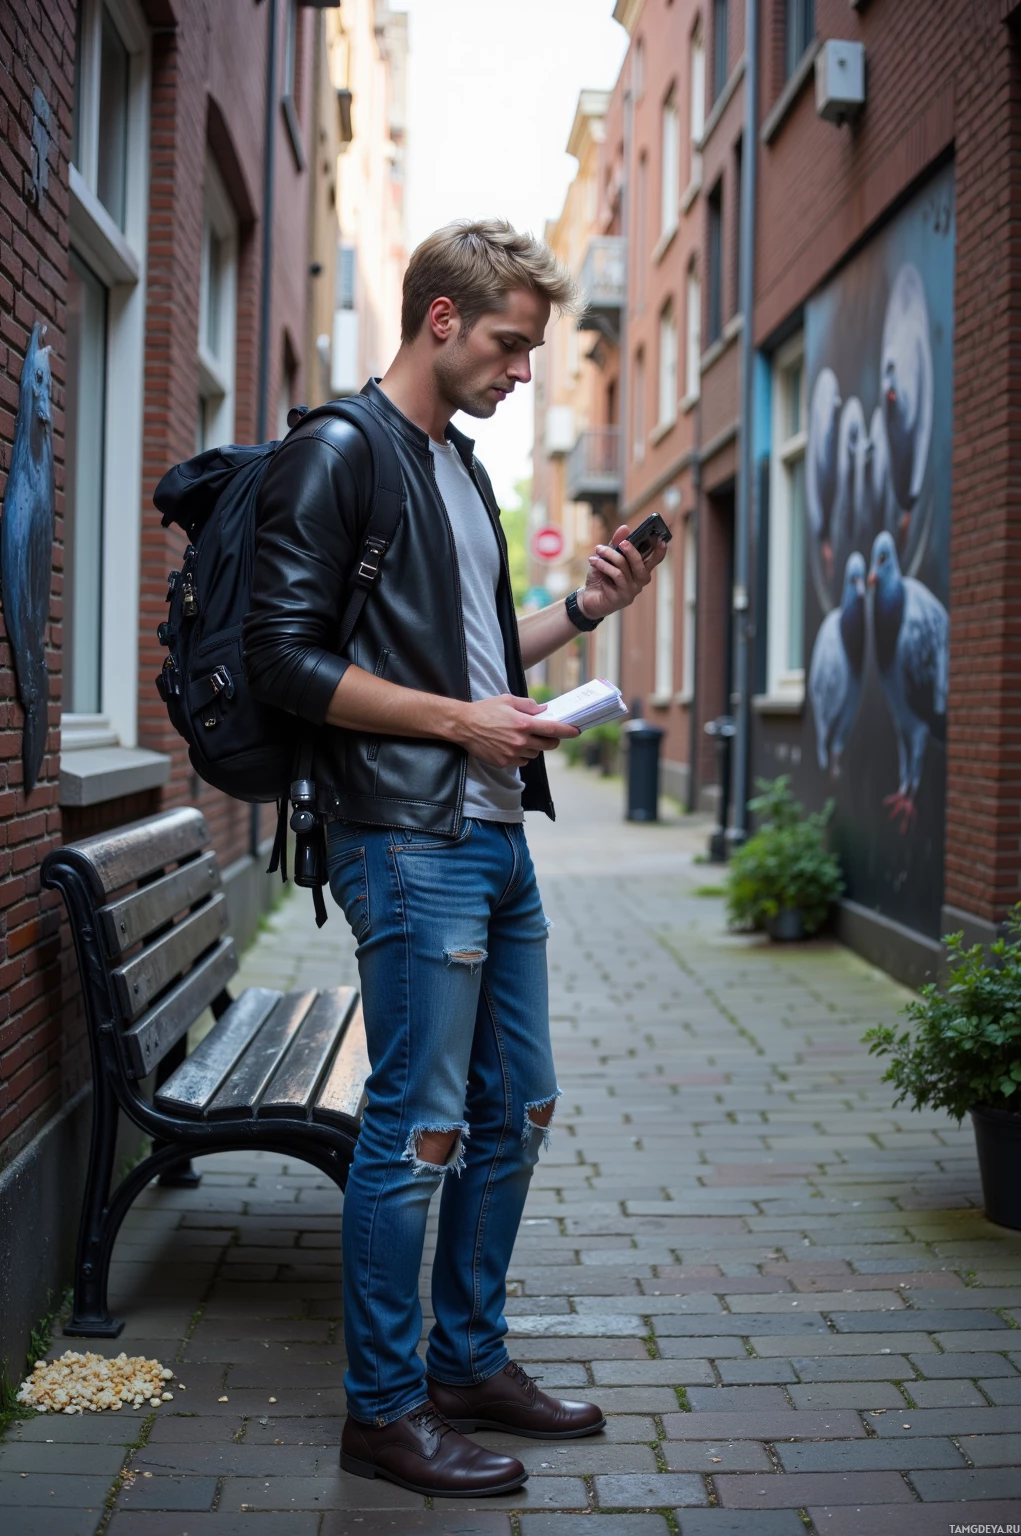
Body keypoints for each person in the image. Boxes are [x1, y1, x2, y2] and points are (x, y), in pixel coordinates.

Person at [244, 219, 667, 1499]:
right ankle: (383, 1410)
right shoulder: (338, 451)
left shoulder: (461, 473)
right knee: (418, 1124)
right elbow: (282, 661)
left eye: (531, 350)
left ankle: (468, 1361)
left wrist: (584, 613)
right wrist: (458, 722)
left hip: (492, 836)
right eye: (509, 344)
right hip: (406, 840)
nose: (523, 370)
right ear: (439, 319)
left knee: (516, 1109)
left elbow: (477, 658)